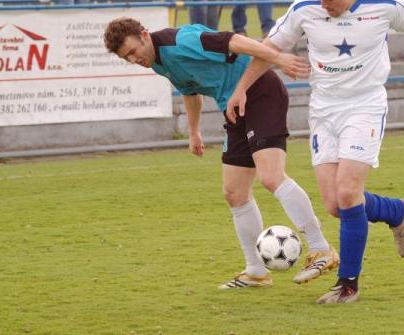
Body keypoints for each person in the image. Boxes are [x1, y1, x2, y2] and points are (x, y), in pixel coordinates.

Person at [226, 0, 404, 304]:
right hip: (324, 111)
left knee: (349, 191)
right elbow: (269, 49)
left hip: (365, 105)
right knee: (337, 205)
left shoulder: (385, 4)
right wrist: (242, 89)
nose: (325, 6)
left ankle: (348, 284)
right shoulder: (304, 9)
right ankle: (395, 211)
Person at [103, 17, 339, 289]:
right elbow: (190, 92)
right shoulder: (156, 61)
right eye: (126, 58)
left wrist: (278, 58)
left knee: (271, 177)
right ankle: (256, 271)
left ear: (144, 35)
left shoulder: (183, 41)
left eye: (133, 52)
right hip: (234, 106)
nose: (134, 60)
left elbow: (235, 41)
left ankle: (321, 248)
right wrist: (194, 131)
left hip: (260, 93)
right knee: (234, 192)